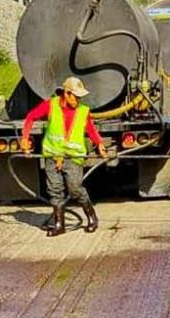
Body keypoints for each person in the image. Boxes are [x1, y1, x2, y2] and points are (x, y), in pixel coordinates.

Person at [20, 76, 108, 237]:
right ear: (67, 94)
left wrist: (99, 143)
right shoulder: (51, 105)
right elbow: (30, 117)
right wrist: (25, 138)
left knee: (75, 188)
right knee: (55, 190)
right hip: (52, 155)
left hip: (72, 157)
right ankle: (59, 225)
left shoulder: (83, 110)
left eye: (80, 97)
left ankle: (92, 218)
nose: (78, 100)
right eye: (76, 96)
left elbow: (90, 128)